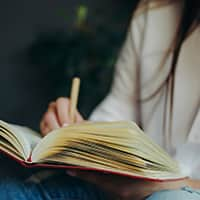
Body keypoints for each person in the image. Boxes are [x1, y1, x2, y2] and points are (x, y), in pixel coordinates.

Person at [1, 0, 200, 199]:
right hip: (125, 184)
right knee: (10, 192)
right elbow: (117, 112)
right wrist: (76, 130)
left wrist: (168, 185)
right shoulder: (156, 11)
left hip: (169, 191)